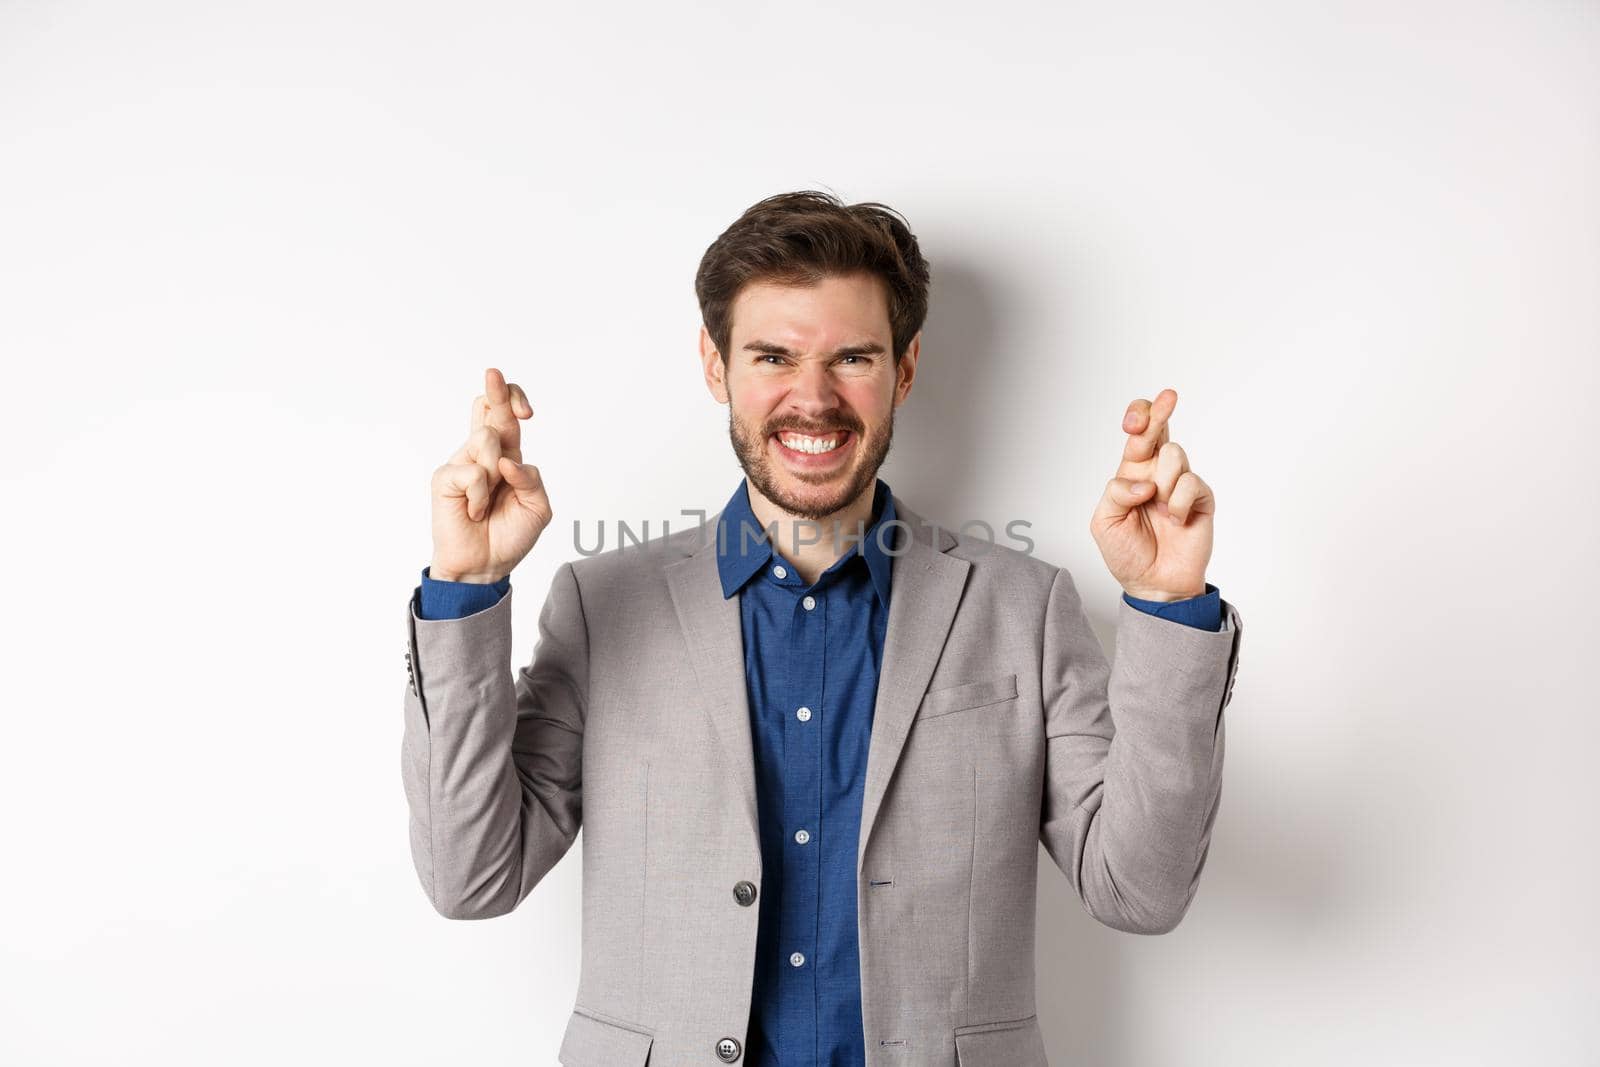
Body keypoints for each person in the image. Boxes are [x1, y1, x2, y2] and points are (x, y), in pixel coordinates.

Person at [399, 190, 1243, 1067]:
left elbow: (1139, 891)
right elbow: (471, 876)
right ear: (715, 365)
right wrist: (467, 583)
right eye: (772, 355)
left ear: (904, 370)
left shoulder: (1022, 607)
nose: (813, 397)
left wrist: (1167, 603)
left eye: (852, 357)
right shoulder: (601, 606)